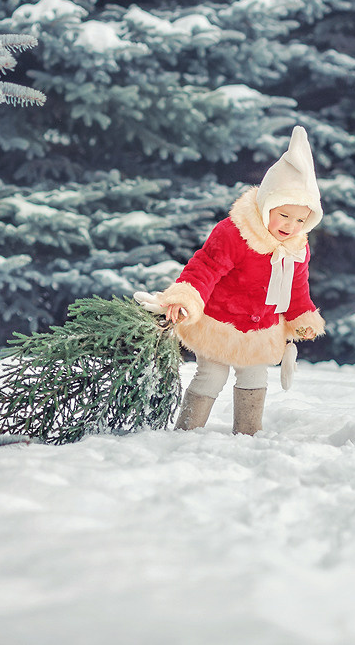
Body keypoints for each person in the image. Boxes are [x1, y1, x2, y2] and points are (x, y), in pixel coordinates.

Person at [137, 126, 326, 435]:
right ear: (267, 205)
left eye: (300, 220)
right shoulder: (235, 233)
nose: (291, 226)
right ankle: (187, 430)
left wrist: (301, 317)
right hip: (219, 323)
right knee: (211, 376)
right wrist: (186, 298)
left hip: (261, 329)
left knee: (254, 377)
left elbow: (296, 287)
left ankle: (248, 433)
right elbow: (206, 267)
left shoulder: (296, 248)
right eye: (284, 215)